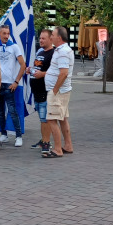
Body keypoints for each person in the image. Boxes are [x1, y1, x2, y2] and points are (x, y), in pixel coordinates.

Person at [42, 26, 74, 158]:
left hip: (58, 92)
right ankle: (68, 145)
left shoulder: (62, 52)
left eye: (53, 35)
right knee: (63, 118)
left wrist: (55, 90)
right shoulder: (62, 50)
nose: (51, 37)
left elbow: (64, 73)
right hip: (61, 90)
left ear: (59, 38)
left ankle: (57, 149)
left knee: (51, 119)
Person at [0, 24, 26, 147]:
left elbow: (23, 65)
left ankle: (18, 136)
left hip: (9, 83)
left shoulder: (14, 47)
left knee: (12, 111)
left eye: (8, 33)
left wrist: (16, 81)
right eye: (4, 33)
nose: (6, 36)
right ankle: (4, 134)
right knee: (0, 111)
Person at [27, 28, 55, 152]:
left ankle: (47, 143)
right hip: (37, 90)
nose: (41, 40)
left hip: (45, 90)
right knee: (42, 118)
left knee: (45, 119)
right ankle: (44, 140)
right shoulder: (40, 52)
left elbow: (55, 71)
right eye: (40, 38)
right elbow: (37, 67)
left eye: (44, 38)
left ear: (50, 39)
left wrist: (42, 74)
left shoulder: (53, 54)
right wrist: (30, 70)